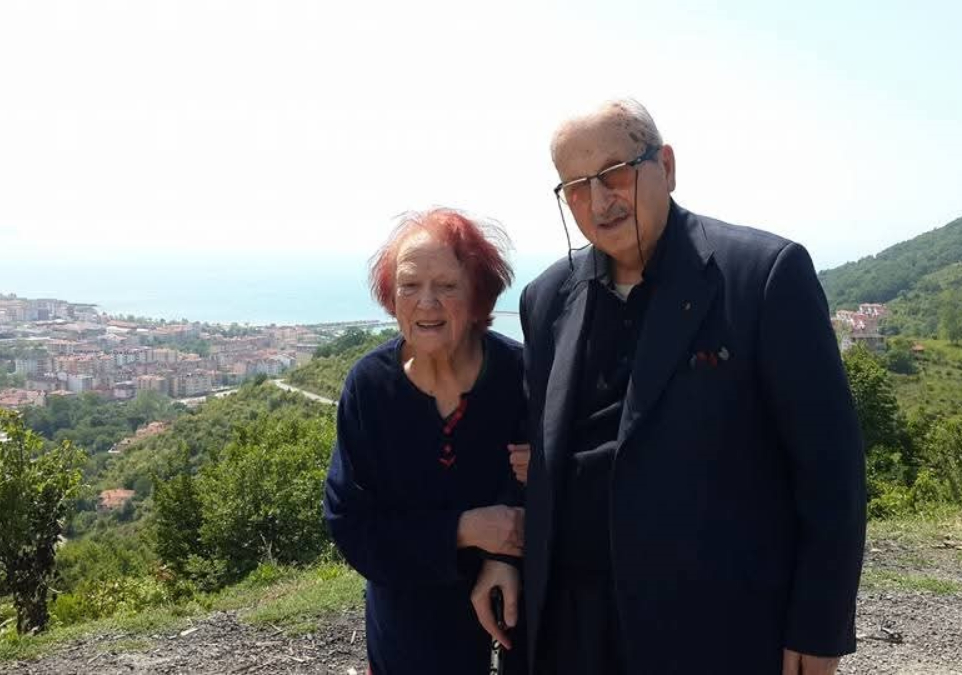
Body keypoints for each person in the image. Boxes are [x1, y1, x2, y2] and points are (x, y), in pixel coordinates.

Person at [500, 98, 868, 674]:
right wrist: (503, 559)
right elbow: (538, 457)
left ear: (666, 167)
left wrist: (818, 627)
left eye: (614, 173)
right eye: (575, 186)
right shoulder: (546, 299)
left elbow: (831, 470)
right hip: (571, 629)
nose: (598, 200)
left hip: (712, 628)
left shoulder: (762, 277)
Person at [324, 208, 527, 675]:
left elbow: (546, 482)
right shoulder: (370, 389)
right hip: (409, 626)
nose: (426, 302)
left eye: (447, 286)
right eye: (410, 285)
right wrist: (464, 528)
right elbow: (352, 525)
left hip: (519, 613)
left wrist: (502, 556)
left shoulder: (522, 375)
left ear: (477, 295)